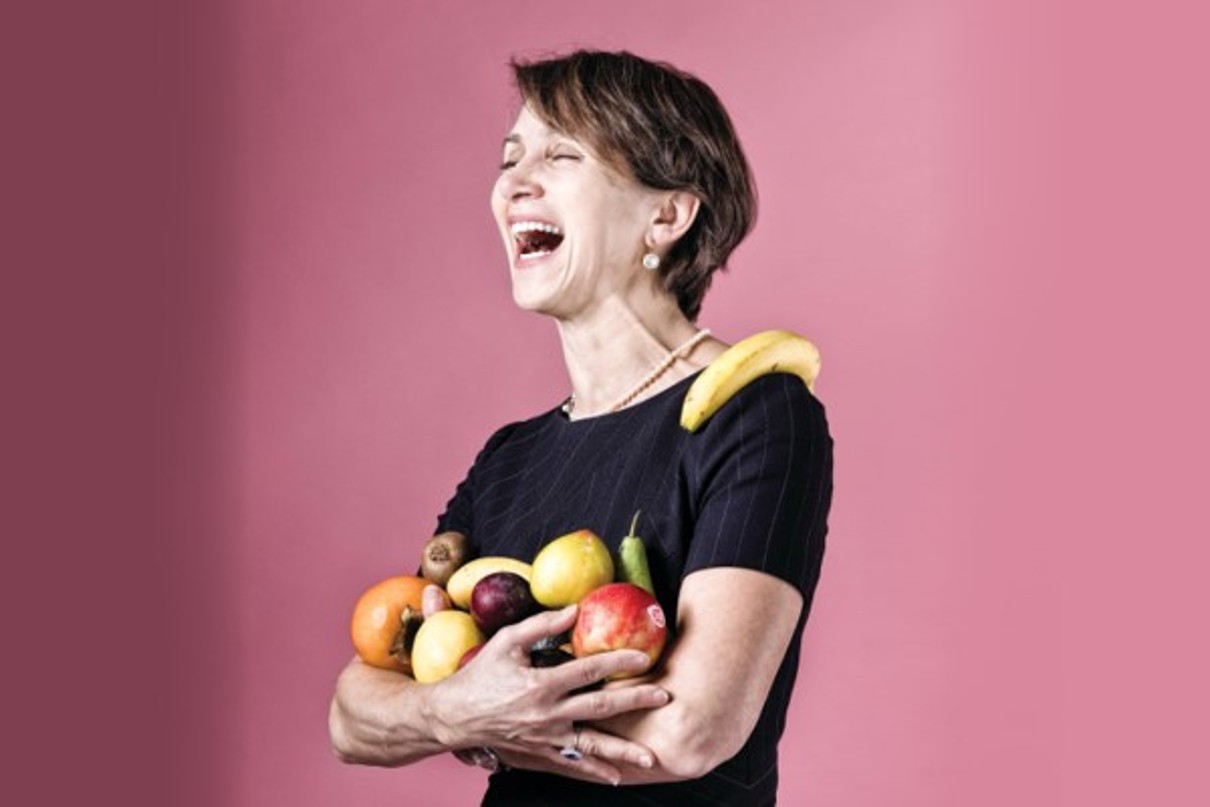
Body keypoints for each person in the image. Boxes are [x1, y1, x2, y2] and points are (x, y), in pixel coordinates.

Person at [329, 49, 834, 805]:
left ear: (666, 214)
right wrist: (447, 708)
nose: (513, 184)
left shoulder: (756, 414)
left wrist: (481, 726)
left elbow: (691, 728)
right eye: (510, 158)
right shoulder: (509, 458)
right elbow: (352, 711)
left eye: (561, 154)